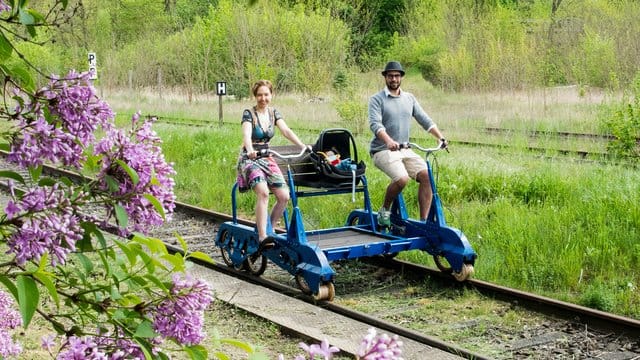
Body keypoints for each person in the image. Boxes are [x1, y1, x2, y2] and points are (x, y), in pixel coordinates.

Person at [368, 61, 449, 226]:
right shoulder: (377, 100)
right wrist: (389, 141)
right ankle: (385, 209)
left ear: (401, 77)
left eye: (397, 76)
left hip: (404, 149)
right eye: (390, 76)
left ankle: (423, 222)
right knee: (402, 178)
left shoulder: (409, 98)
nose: (394, 79)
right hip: (382, 150)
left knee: (427, 175)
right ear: (385, 77)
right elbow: (376, 125)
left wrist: (440, 138)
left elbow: (424, 119)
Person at [236, 80, 309, 251]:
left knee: (284, 196)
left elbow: (286, 131)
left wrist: (302, 146)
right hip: (250, 158)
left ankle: (271, 228)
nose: (263, 98)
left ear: (271, 95)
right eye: (260, 95)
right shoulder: (249, 114)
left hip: (267, 157)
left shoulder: (273, 113)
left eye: (266, 94)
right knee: (263, 192)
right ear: (255, 96)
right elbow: (246, 135)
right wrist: (251, 149)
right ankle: (262, 236)